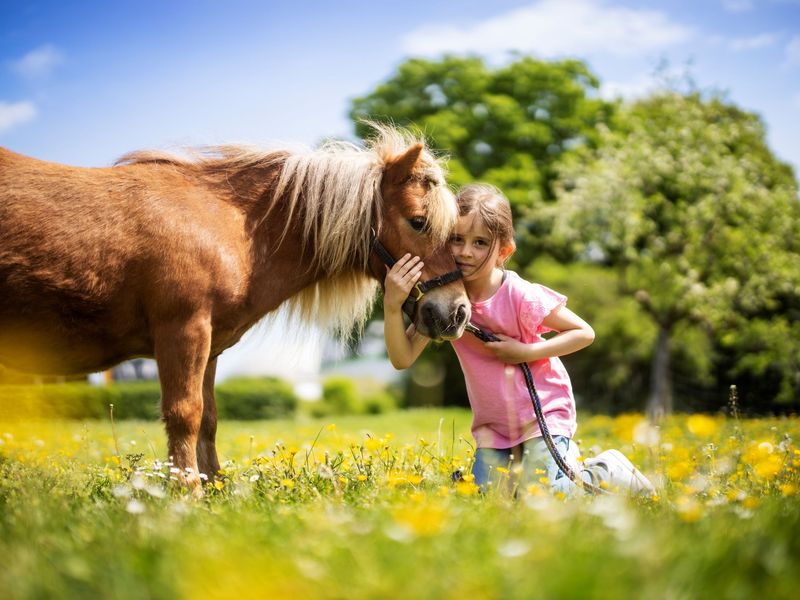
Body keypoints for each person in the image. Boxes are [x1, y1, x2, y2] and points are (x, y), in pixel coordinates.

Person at [383, 183, 654, 496]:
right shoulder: (448, 301)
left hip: (542, 416)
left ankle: (607, 470)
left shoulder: (519, 295)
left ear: (503, 251)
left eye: (480, 243)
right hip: (494, 429)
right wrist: (392, 307)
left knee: (550, 497)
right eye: (456, 239)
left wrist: (526, 351)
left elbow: (584, 333)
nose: (465, 251)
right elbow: (402, 359)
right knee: (487, 501)